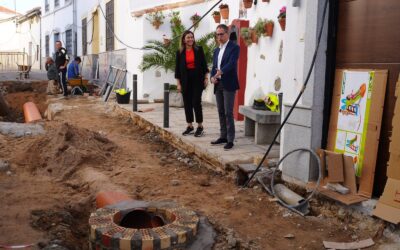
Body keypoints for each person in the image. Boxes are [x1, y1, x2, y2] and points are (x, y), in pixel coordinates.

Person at [210, 24, 240, 150]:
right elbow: (213, 66)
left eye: (221, 34)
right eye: (217, 34)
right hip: (218, 84)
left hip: (229, 83)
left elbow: (232, 63)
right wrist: (212, 77)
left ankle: (230, 139)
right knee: (221, 111)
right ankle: (223, 136)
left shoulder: (234, 47)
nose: (219, 36)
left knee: (228, 112)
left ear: (227, 34)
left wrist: (220, 72)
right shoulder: (216, 50)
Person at [175, 30, 209, 137]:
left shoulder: (199, 49)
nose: (190, 39)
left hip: (197, 79)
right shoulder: (180, 52)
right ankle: (190, 126)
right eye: (188, 37)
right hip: (185, 80)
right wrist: (178, 83)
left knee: (196, 102)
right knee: (187, 103)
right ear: (184, 40)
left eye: (192, 37)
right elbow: (177, 69)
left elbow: (204, 65)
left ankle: (200, 126)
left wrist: (206, 78)